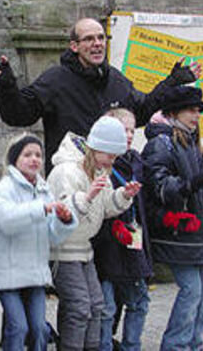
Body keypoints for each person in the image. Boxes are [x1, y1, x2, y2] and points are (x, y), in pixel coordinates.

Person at [0, 17, 202, 173]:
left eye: (100, 38)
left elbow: (142, 112)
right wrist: (6, 85)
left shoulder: (115, 80)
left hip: (112, 180)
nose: (97, 44)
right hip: (72, 180)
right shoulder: (56, 80)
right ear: (74, 46)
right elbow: (18, 114)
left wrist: (173, 82)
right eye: (89, 39)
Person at [141, 86, 203, 351]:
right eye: (191, 110)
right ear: (174, 112)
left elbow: (200, 184)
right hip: (178, 231)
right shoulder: (162, 143)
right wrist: (188, 186)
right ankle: (175, 345)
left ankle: (193, 344)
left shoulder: (191, 142)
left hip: (198, 234)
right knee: (191, 291)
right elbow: (159, 185)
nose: (196, 116)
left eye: (198, 111)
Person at [47, 116, 141, 350]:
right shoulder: (66, 171)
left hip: (84, 248)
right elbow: (63, 212)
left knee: (97, 305)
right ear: (97, 147)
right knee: (79, 306)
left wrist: (123, 196)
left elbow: (105, 207)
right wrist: (87, 197)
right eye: (111, 155)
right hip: (63, 249)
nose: (113, 161)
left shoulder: (99, 169)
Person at [0, 133, 78, 350]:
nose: (34, 159)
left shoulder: (44, 189)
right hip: (9, 275)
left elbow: (52, 236)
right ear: (15, 159)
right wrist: (40, 209)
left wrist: (64, 221)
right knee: (19, 327)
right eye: (27, 154)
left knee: (39, 328)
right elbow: (5, 220)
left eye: (38, 154)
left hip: (35, 273)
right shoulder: (5, 188)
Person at [92, 108, 153, 351]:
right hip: (106, 245)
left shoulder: (135, 162)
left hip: (132, 241)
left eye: (131, 129)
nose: (128, 135)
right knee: (107, 307)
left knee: (139, 301)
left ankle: (131, 346)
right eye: (122, 129)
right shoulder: (100, 164)